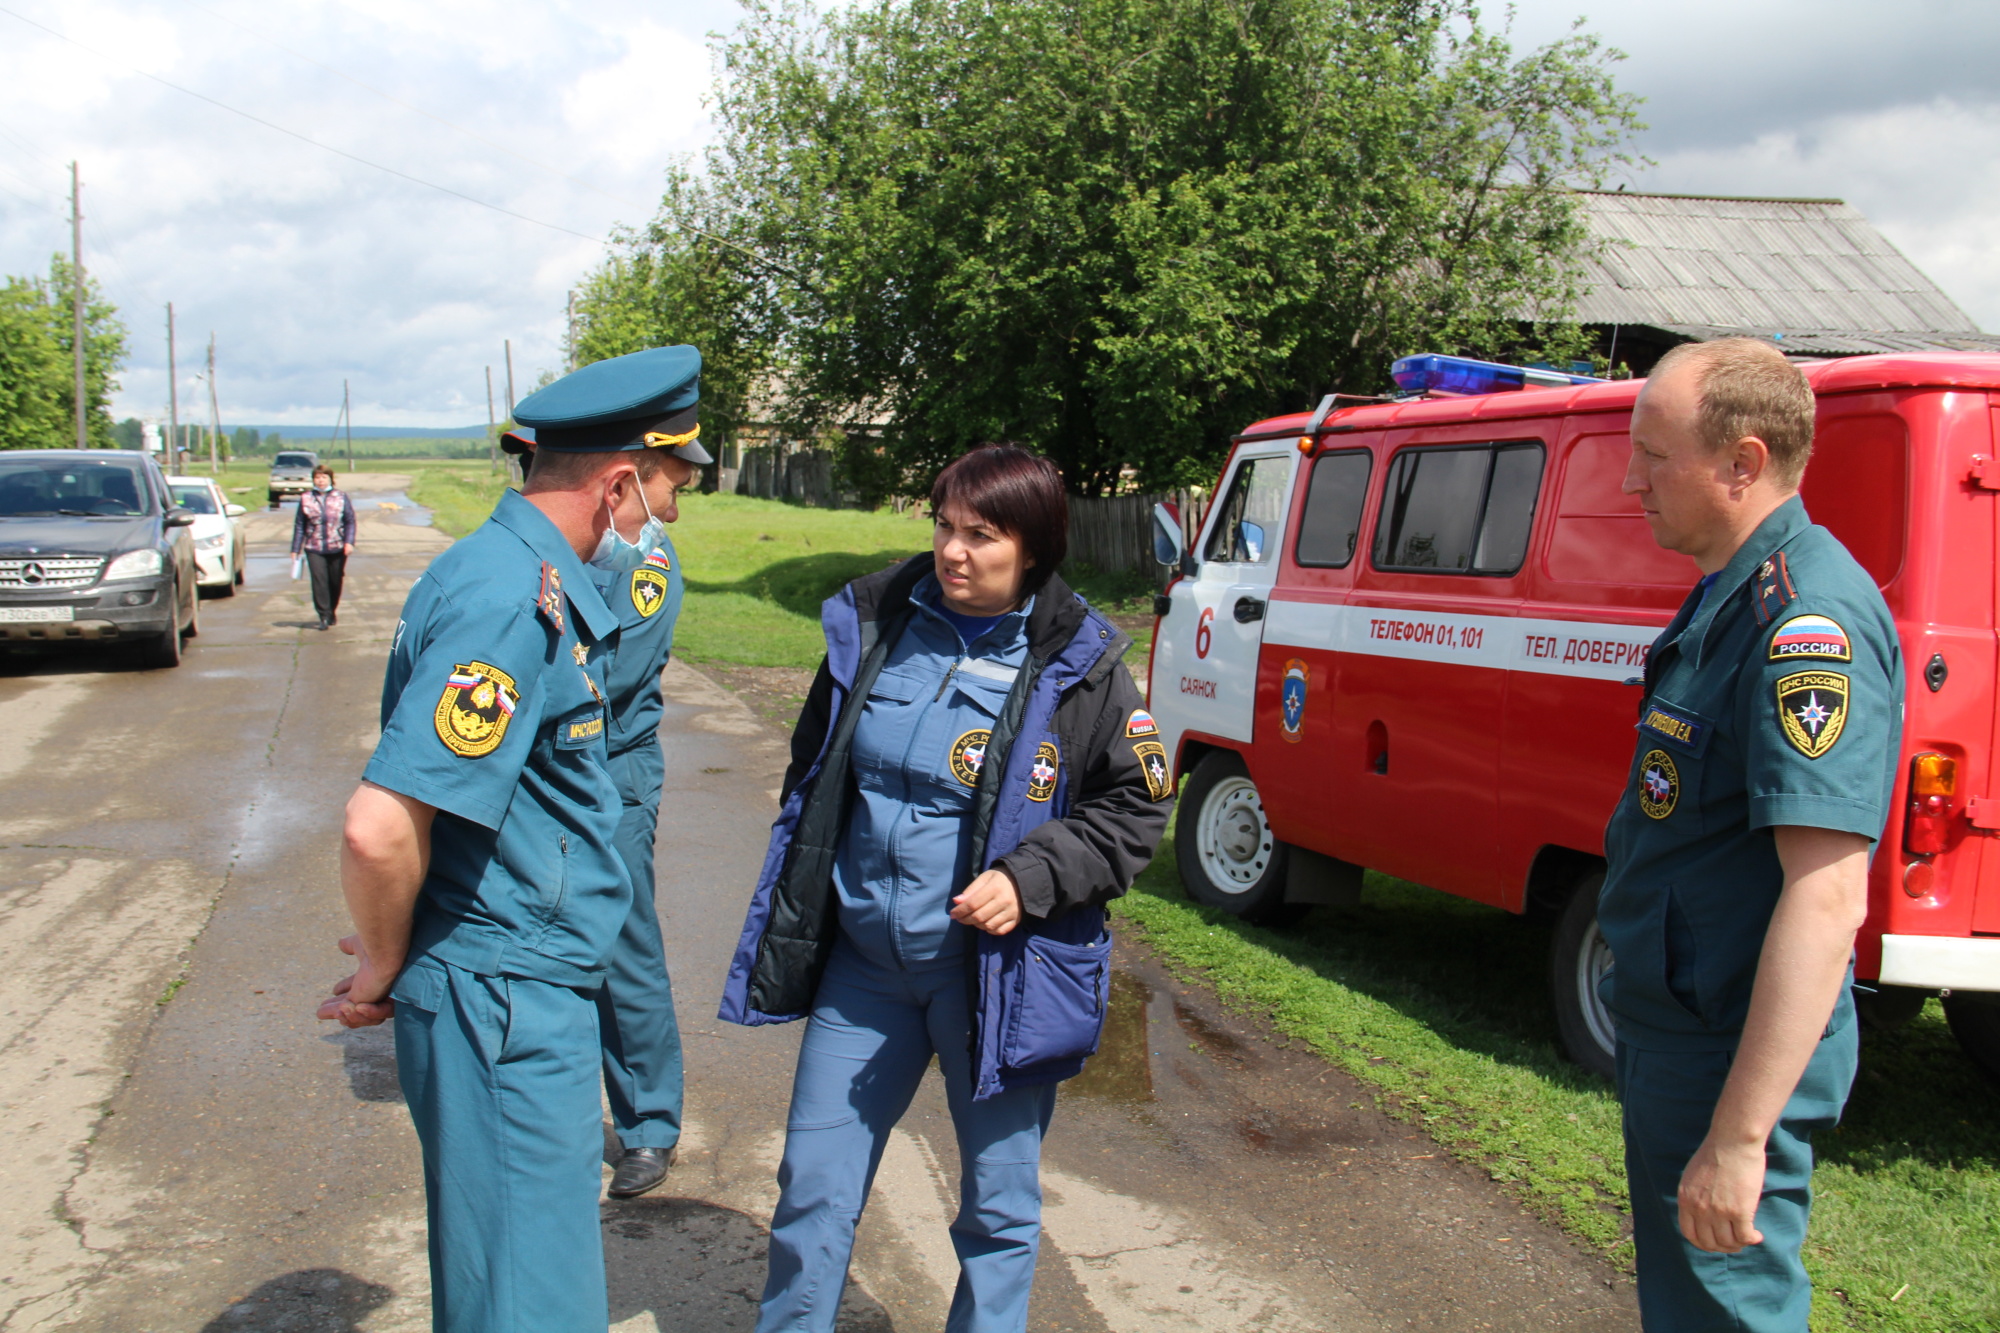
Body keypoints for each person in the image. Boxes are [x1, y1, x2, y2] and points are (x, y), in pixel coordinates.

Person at [721, 444, 1174, 1333]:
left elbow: (1137, 807)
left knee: (997, 1212)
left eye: (982, 534)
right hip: (865, 972)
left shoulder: (1085, 669)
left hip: (992, 978)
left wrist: (1028, 875)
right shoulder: (877, 624)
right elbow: (813, 765)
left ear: (1033, 551)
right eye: (944, 525)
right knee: (812, 1186)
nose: (953, 551)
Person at [316, 345, 703, 1333]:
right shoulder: (509, 597)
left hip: (518, 985)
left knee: (509, 1289)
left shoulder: (518, 576)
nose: (654, 528)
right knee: (533, 1305)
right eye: (652, 499)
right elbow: (379, 823)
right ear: (616, 483)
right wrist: (384, 965)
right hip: (503, 999)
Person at [1601, 338, 1903, 1331]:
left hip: (1726, 1057)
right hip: (1684, 1035)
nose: (1627, 477)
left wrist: (1737, 1139)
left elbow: (1826, 899)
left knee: (1725, 1314)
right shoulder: (1731, 588)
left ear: (1741, 462)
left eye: (1652, 454)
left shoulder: (1802, 623)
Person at [502, 406, 705, 1201]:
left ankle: (649, 1123)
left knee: (622, 946)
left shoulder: (646, 561)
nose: (676, 507)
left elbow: (607, 677)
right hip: (535, 765)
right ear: (629, 474)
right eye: (672, 486)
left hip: (608, 770)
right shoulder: (538, 546)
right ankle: (539, 1101)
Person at [293, 464, 356, 630]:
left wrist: (349, 542)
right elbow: (300, 524)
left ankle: (332, 609)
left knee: (335, 581)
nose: (320, 481)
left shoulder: (341, 497)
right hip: (314, 547)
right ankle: (323, 615)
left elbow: (350, 521)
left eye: (324, 477)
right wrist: (295, 548)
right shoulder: (306, 498)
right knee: (319, 581)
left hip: (337, 546)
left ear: (330, 479)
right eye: (317, 478)